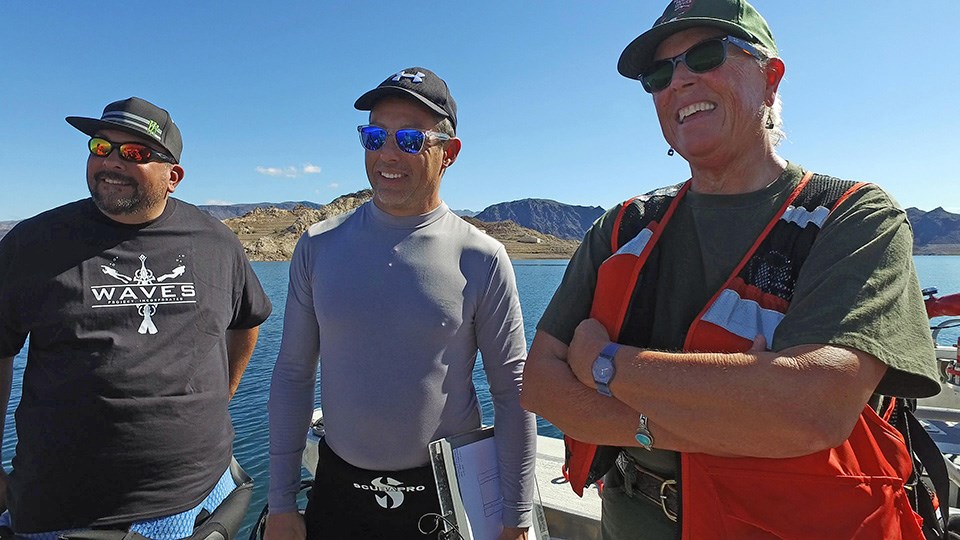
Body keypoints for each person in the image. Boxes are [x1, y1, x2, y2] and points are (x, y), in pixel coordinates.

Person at [520, 1, 941, 538]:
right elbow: (540, 382)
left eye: (704, 55)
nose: (679, 81)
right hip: (631, 520)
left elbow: (812, 407)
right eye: (658, 73)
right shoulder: (623, 226)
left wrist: (604, 365)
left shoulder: (854, 216)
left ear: (771, 77)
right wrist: (713, 415)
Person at [265, 67, 537, 540]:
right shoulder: (318, 245)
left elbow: (513, 393)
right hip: (337, 494)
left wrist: (515, 518)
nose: (387, 154)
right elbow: (292, 375)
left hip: (445, 500)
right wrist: (281, 502)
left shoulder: (481, 257)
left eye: (410, 140)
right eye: (374, 137)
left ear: (448, 153)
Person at [0, 97, 272, 538]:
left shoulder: (217, 243)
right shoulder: (33, 243)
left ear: (173, 177)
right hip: (62, 506)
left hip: (198, 493)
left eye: (134, 154)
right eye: (100, 146)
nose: (111, 162)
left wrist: (222, 395)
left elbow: (246, 322)